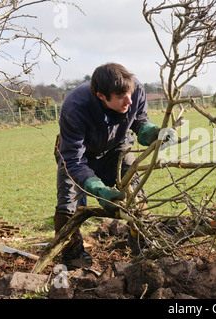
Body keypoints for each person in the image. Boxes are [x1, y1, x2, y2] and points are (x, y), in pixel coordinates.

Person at [54, 63, 161, 269]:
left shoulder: (134, 89)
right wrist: (97, 188)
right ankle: (73, 255)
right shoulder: (75, 106)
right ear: (101, 95)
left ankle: (143, 242)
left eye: (130, 94)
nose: (129, 101)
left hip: (116, 147)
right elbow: (73, 160)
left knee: (136, 195)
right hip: (77, 154)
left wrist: (152, 131)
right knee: (69, 206)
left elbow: (138, 119)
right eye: (121, 98)